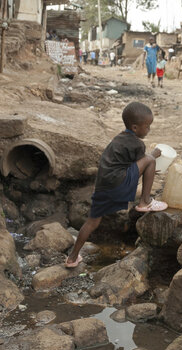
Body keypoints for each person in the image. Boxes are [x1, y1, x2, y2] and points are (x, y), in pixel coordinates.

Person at [65, 102, 168, 267]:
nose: (149, 129)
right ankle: (145, 202)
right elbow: (145, 162)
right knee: (150, 159)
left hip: (103, 186)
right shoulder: (137, 144)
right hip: (119, 182)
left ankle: (72, 258)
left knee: (92, 222)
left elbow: (132, 165)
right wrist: (154, 155)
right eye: (147, 126)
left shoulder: (119, 138)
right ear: (135, 128)